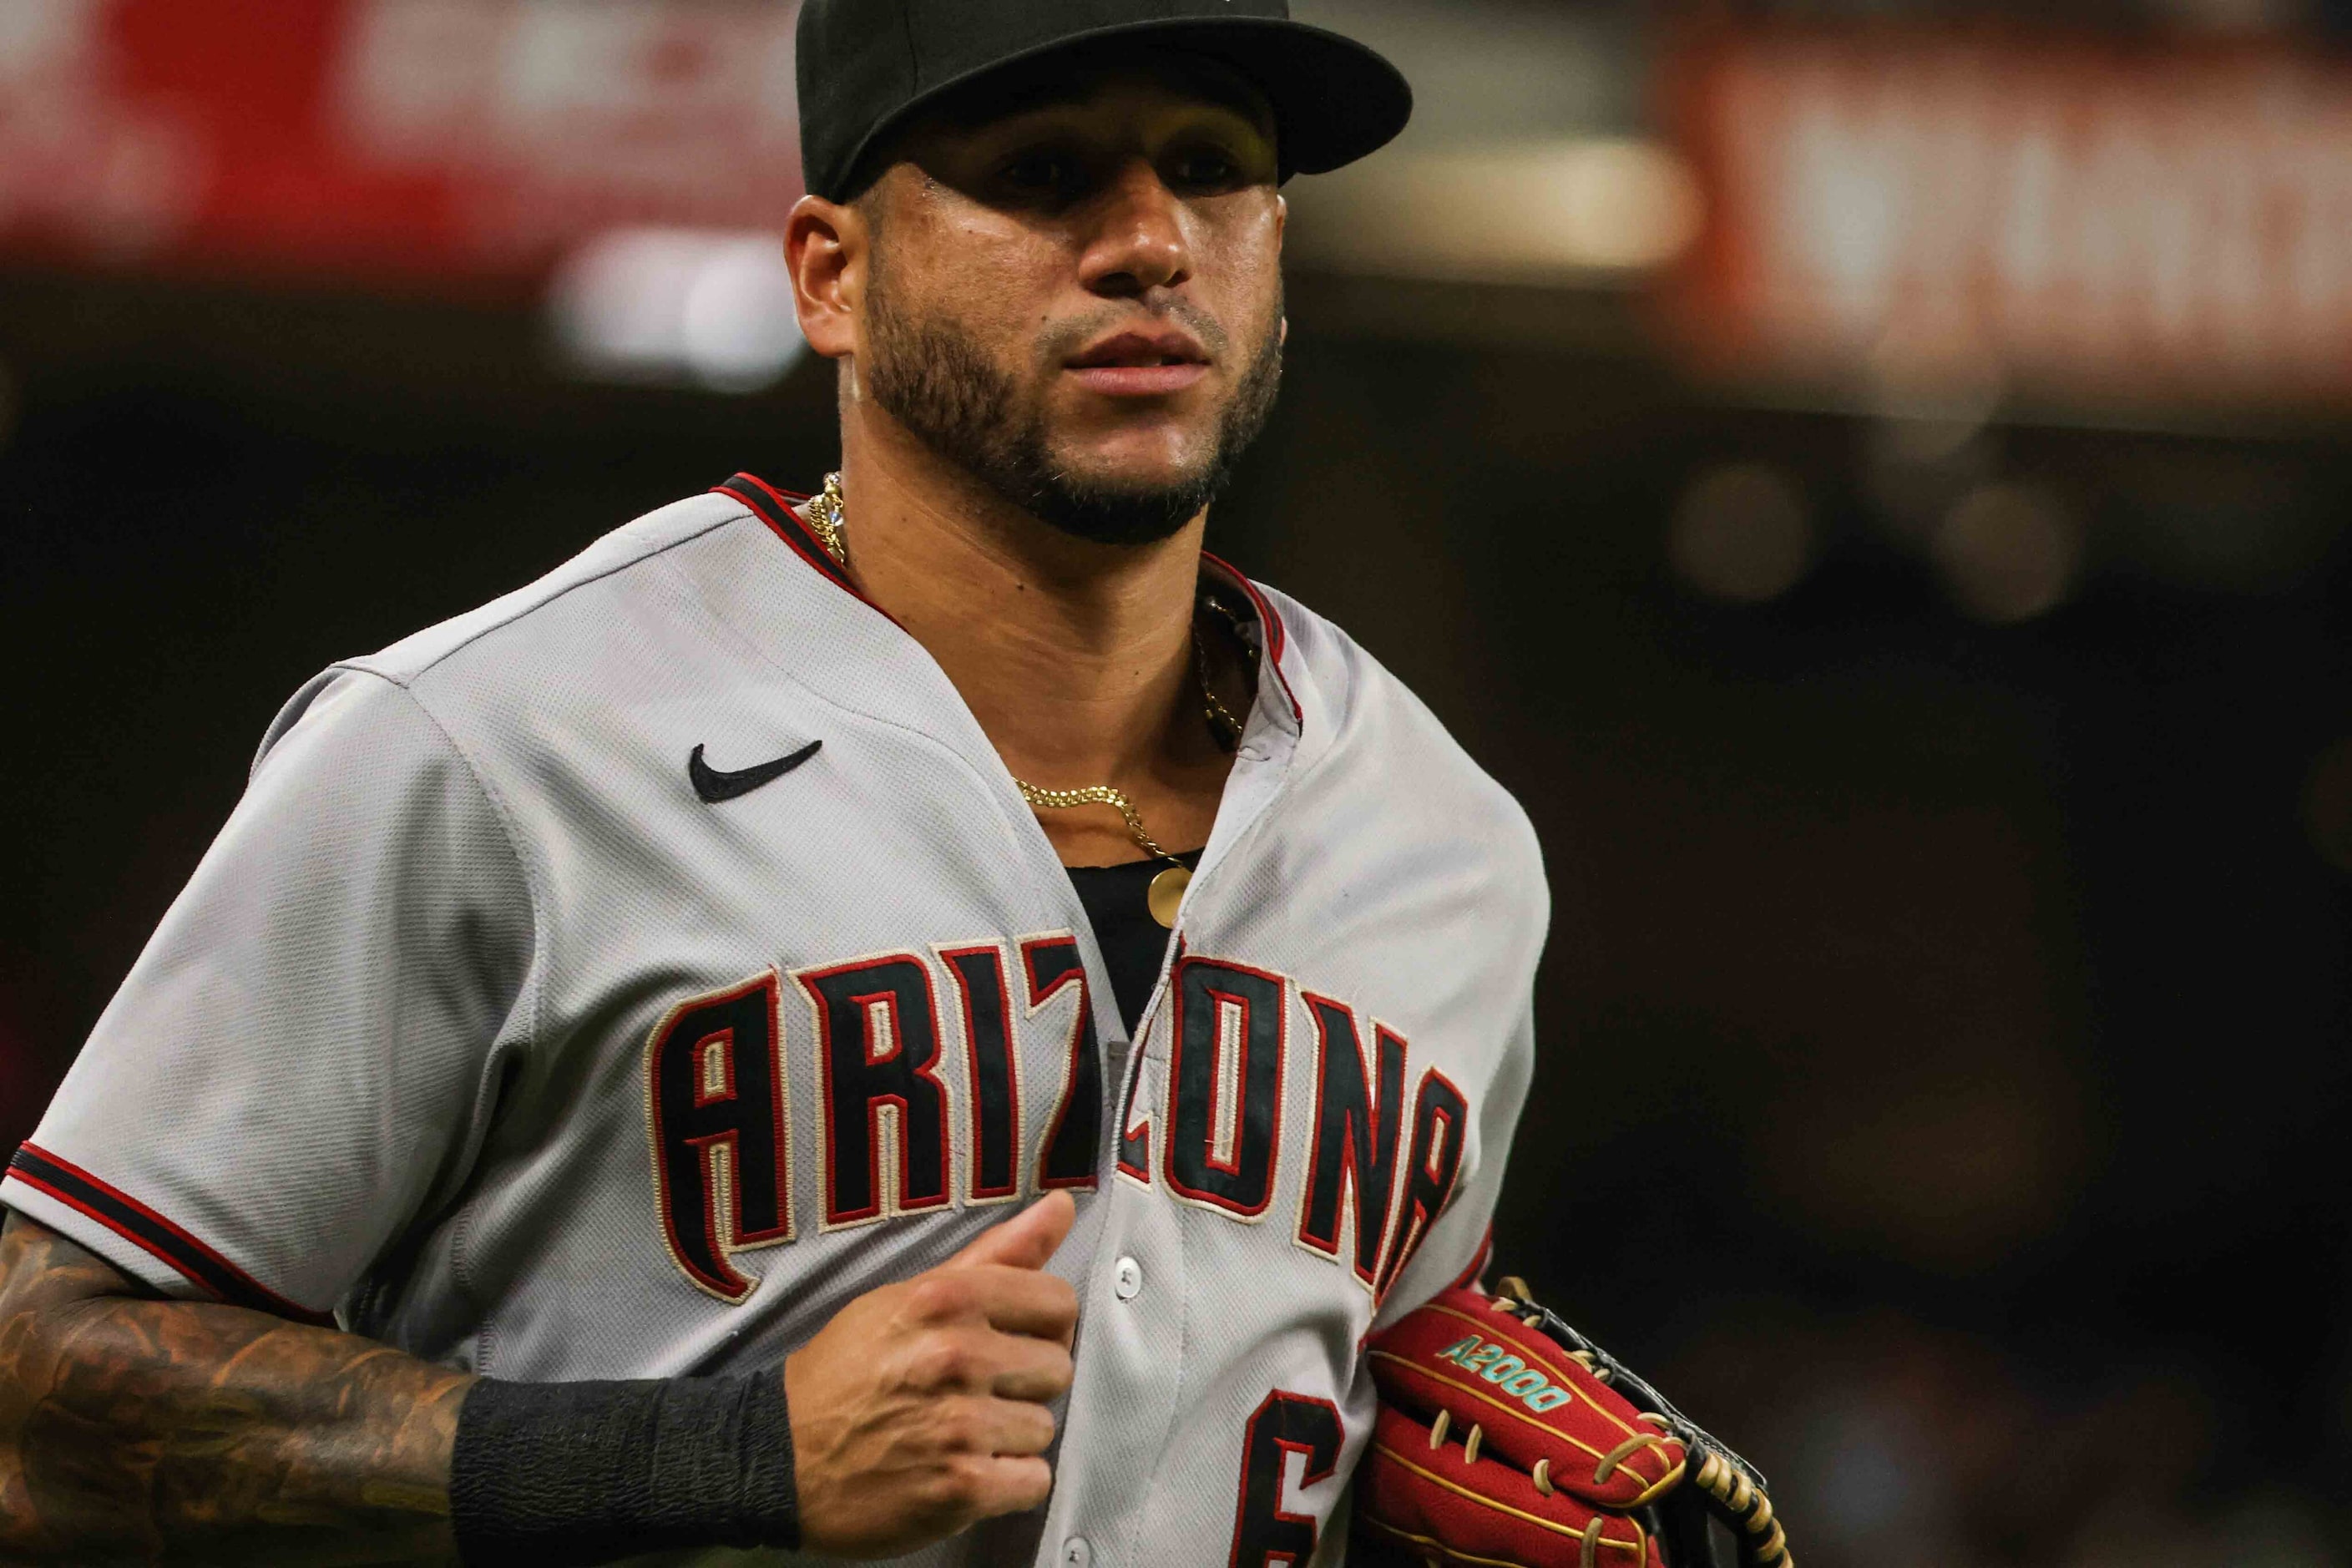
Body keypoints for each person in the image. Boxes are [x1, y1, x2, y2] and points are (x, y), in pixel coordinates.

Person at [0, 1, 1543, 1562]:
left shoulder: (1442, 838)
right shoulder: (488, 740)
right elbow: (40, 1391)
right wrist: (719, 1452)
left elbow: (1397, 1394)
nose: (1150, 240)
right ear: (831, 275)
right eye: (1046, 169)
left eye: (1212, 168)